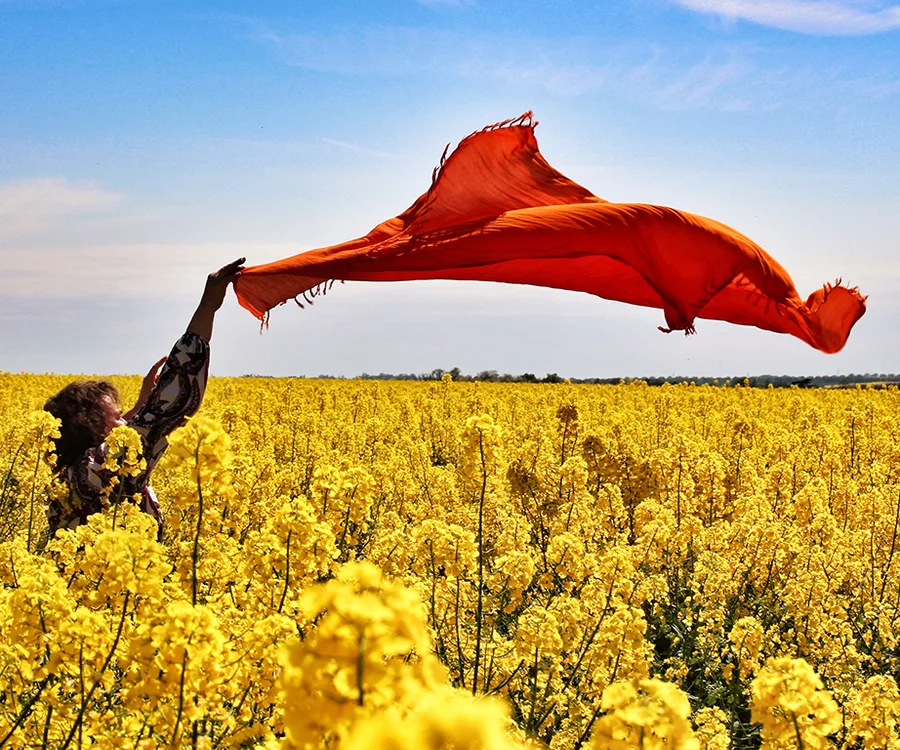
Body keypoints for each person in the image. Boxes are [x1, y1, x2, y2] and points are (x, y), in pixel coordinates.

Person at [43, 258, 245, 540]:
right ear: (90, 426)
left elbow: (136, 424)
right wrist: (208, 305)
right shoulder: (102, 468)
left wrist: (140, 406)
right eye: (115, 417)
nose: (125, 420)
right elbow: (169, 399)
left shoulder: (67, 478)